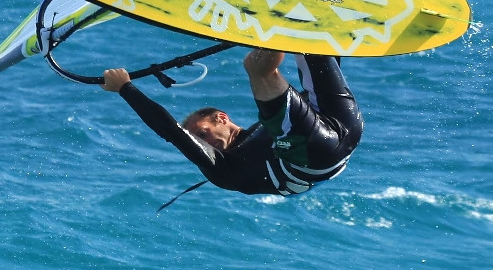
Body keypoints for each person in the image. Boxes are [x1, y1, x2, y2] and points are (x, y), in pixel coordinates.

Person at [100, 48, 363, 199]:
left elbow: (311, 93)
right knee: (256, 67)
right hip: (313, 155)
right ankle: (272, 14)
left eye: (202, 133)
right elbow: (172, 132)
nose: (204, 143)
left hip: (344, 124)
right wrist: (125, 89)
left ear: (221, 118)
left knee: (312, 45)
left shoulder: (261, 133)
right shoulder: (223, 168)